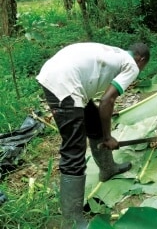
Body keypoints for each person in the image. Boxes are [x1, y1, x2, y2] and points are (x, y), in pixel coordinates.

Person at [36, 42, 150, 228]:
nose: (141, 71)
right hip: (65, 82)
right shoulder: (131, 65)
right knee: (75, 148)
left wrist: (103, 133)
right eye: (143, 67)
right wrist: (108, 138)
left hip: (60, 74)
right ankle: (72, 220)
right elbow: (107, 100)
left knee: (94, 123)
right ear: (141, 59)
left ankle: (108, 169)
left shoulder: (117, 54)